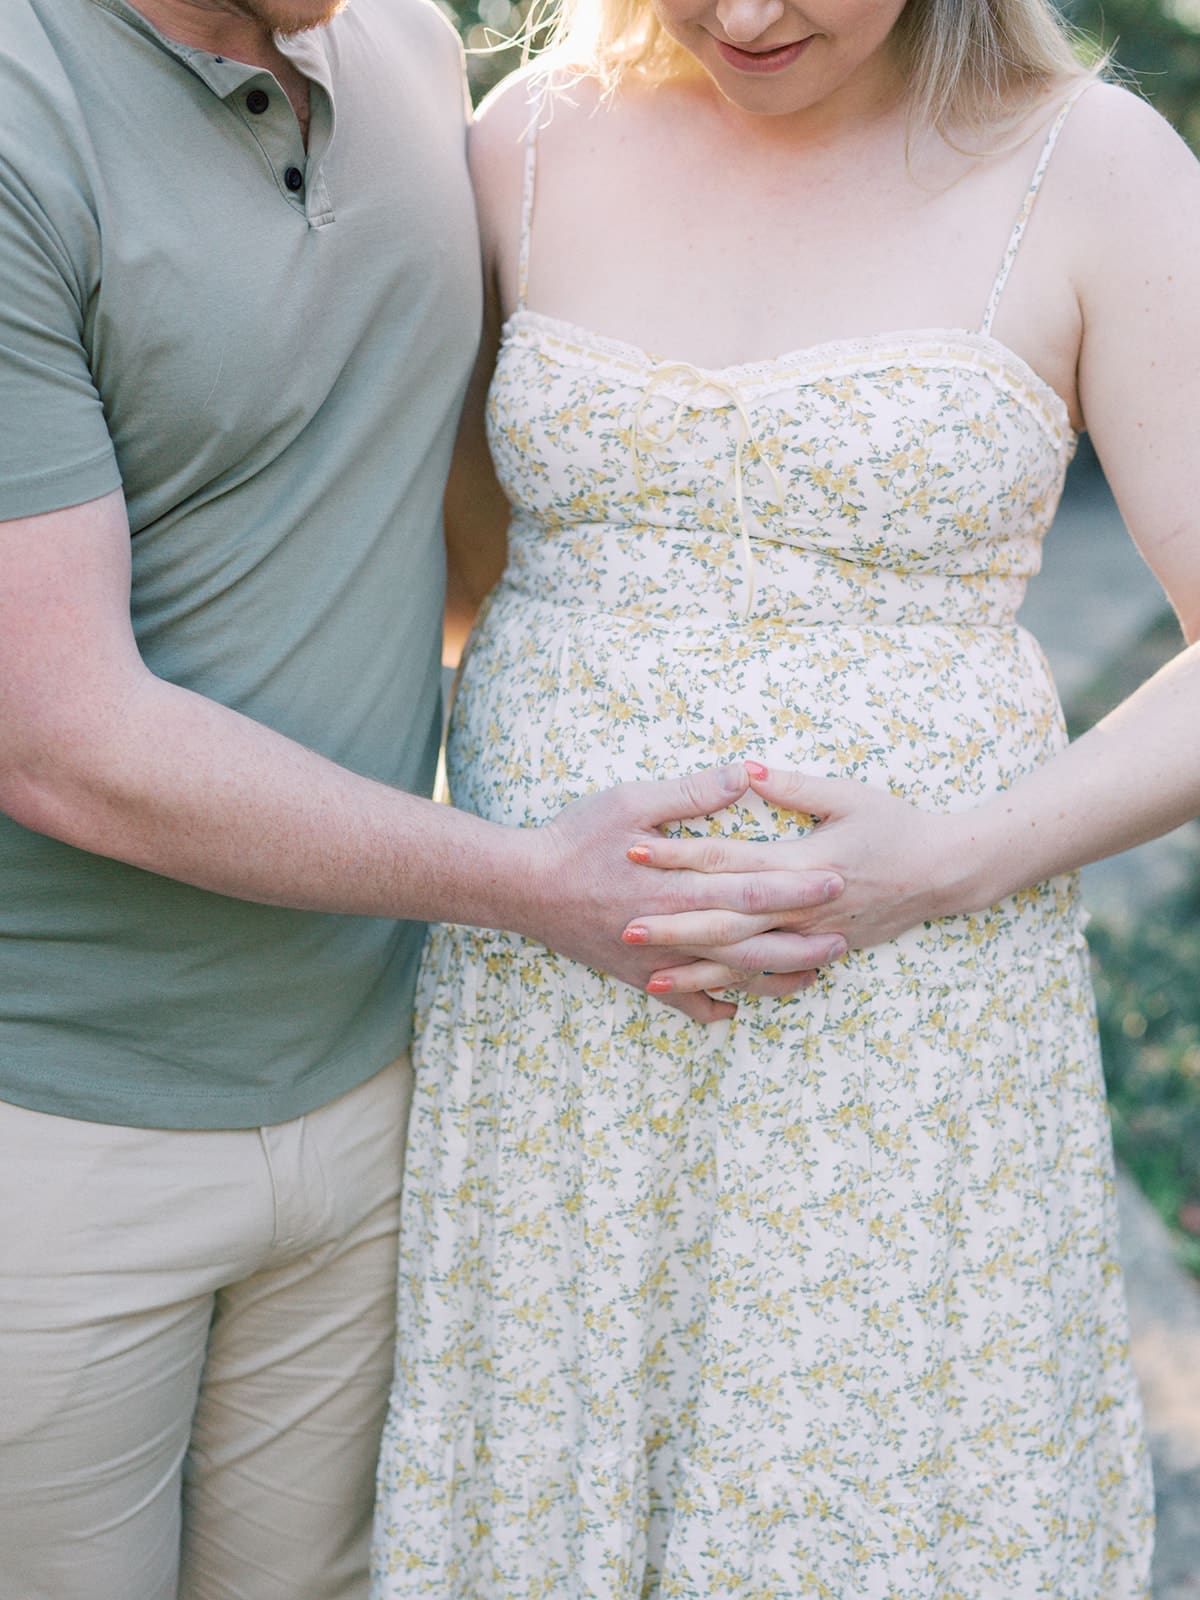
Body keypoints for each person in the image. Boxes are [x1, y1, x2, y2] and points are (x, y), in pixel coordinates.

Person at [0, 1, 839, 1595]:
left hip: (385, 1086)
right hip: (55, 1125)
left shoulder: (407, 44)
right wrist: (534, 877)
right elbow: (57, 736)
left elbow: (467, 508)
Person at [369, 0, 1200, 1589]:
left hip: (907, 1051)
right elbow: (439, 572)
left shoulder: (1096, 171)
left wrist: (951, 861)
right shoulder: (523, 141)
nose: (748, 16)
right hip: (560, 1054)